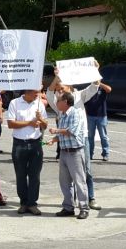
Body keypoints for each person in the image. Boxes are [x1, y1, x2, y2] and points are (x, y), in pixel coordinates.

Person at [48, 71, 102, 210]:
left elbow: (94, 86)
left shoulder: (79, 96)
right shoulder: (58, 102)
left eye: (62, 88)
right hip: (65, 143)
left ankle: (90, 199)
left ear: (70, 87)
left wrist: (95, 70)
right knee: (66, 177)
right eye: (58, 89)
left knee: (85, 171)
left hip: (80, 138)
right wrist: (57, 76)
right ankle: (69, 205)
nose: (59, 91)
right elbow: (49, 92)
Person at [48, 92, 90, 220]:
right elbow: (62, 134)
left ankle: (84, 208)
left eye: (59, 100)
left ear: (65, 101)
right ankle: (68, 207)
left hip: (75, 152)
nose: (56, 103)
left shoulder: (75, 113)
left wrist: (57, 131)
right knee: (65, 182)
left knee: (79, 181)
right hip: (64, 152)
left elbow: (72, 131)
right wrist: (54, 139)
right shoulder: (62, 114)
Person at [6, 89, 48, 215]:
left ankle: (32, 203)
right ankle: (24, 203)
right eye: (35, 93)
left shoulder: (39, 103)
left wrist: (42, 120)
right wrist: (30, 123)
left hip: (36, 143)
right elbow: (10, 123)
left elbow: (45, 125)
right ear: (28, 91)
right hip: (19, 143)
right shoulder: (15, 103)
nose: (38, 95)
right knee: (21, 175)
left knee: (35, 175)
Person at [84, 82, 112, 162]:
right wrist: (86, 115)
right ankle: (89, 154)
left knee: (103, 136)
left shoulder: (102, 88)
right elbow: (84, 103)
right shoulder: (88, 89)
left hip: (102, 115)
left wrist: (99, 83)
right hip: (90, 116)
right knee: (90, 136)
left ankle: (105, 153)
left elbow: (109, 89)